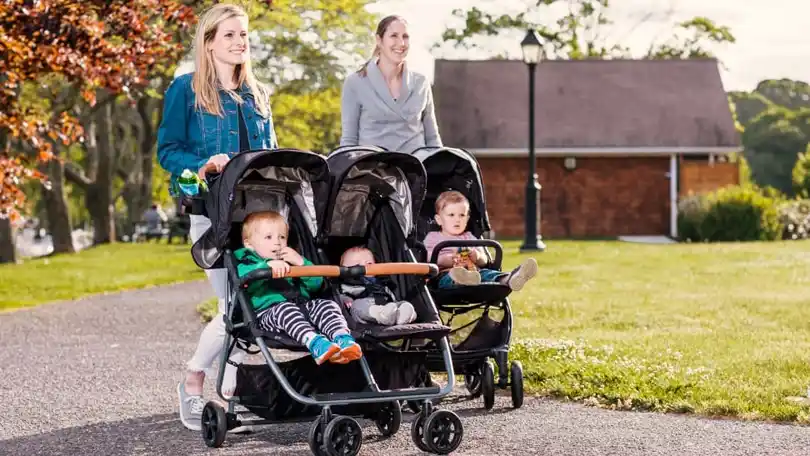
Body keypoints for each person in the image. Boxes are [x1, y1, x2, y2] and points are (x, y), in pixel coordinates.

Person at [155, 3, 278, 432]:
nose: (240, 42)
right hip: (212, 214)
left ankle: (225, 400)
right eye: (229, 35)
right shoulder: (186, 90)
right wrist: (205, 163)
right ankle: (193, 382)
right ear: (208, 43)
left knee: (252, 309)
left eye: (243, 34)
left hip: (259, 221)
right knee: (233, 307)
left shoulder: (257, 96)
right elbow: (168, 152)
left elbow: (272, 157)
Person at [235, 211, 363, 365]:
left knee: (327, 304)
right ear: (249, 244)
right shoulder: (246, 263)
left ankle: (342, 339)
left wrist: (301, 263)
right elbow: (244, 281)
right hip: (268, 315)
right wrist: (266, 267)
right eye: (268, 237)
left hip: (301, 307)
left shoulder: (291, 260)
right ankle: (315, 343)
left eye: (282, 237)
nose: (277, 242)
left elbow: (316, 285)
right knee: (285, 310)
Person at [339, 15, 442, 153]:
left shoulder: (421, 83)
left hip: (416, 167)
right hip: (372, 169)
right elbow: (349, 140)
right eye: (394, 36)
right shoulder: (355, 83)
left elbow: (432, 139)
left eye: (405, 36)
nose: (401, 43)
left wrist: (442, 166)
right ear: (379, 40)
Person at [424, 191, 539, 290]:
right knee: (450, 277)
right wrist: (448, 259)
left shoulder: (470, 237)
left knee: (488, 274)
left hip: (476, 272)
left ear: (467, 218)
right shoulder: (433, 237)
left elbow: (484, 261)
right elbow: (427, 258)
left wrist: (476, 256)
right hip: (446, 273)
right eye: (451, 215)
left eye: (462, 215)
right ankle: (462, 280)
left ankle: (511, 278)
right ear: (439, 219)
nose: (457, 220)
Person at [337, 246, 417, 326]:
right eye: (356, 265)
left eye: (369, 263)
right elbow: (340, 295)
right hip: (366, 306)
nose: (365, 266)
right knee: (357, 306)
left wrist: (394, 301)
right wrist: (346, 299)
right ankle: (384, 315)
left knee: (402, 304)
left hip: (388, 305)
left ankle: (406, 314)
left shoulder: (382, 280)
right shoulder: (348, 284)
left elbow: (390, 294)